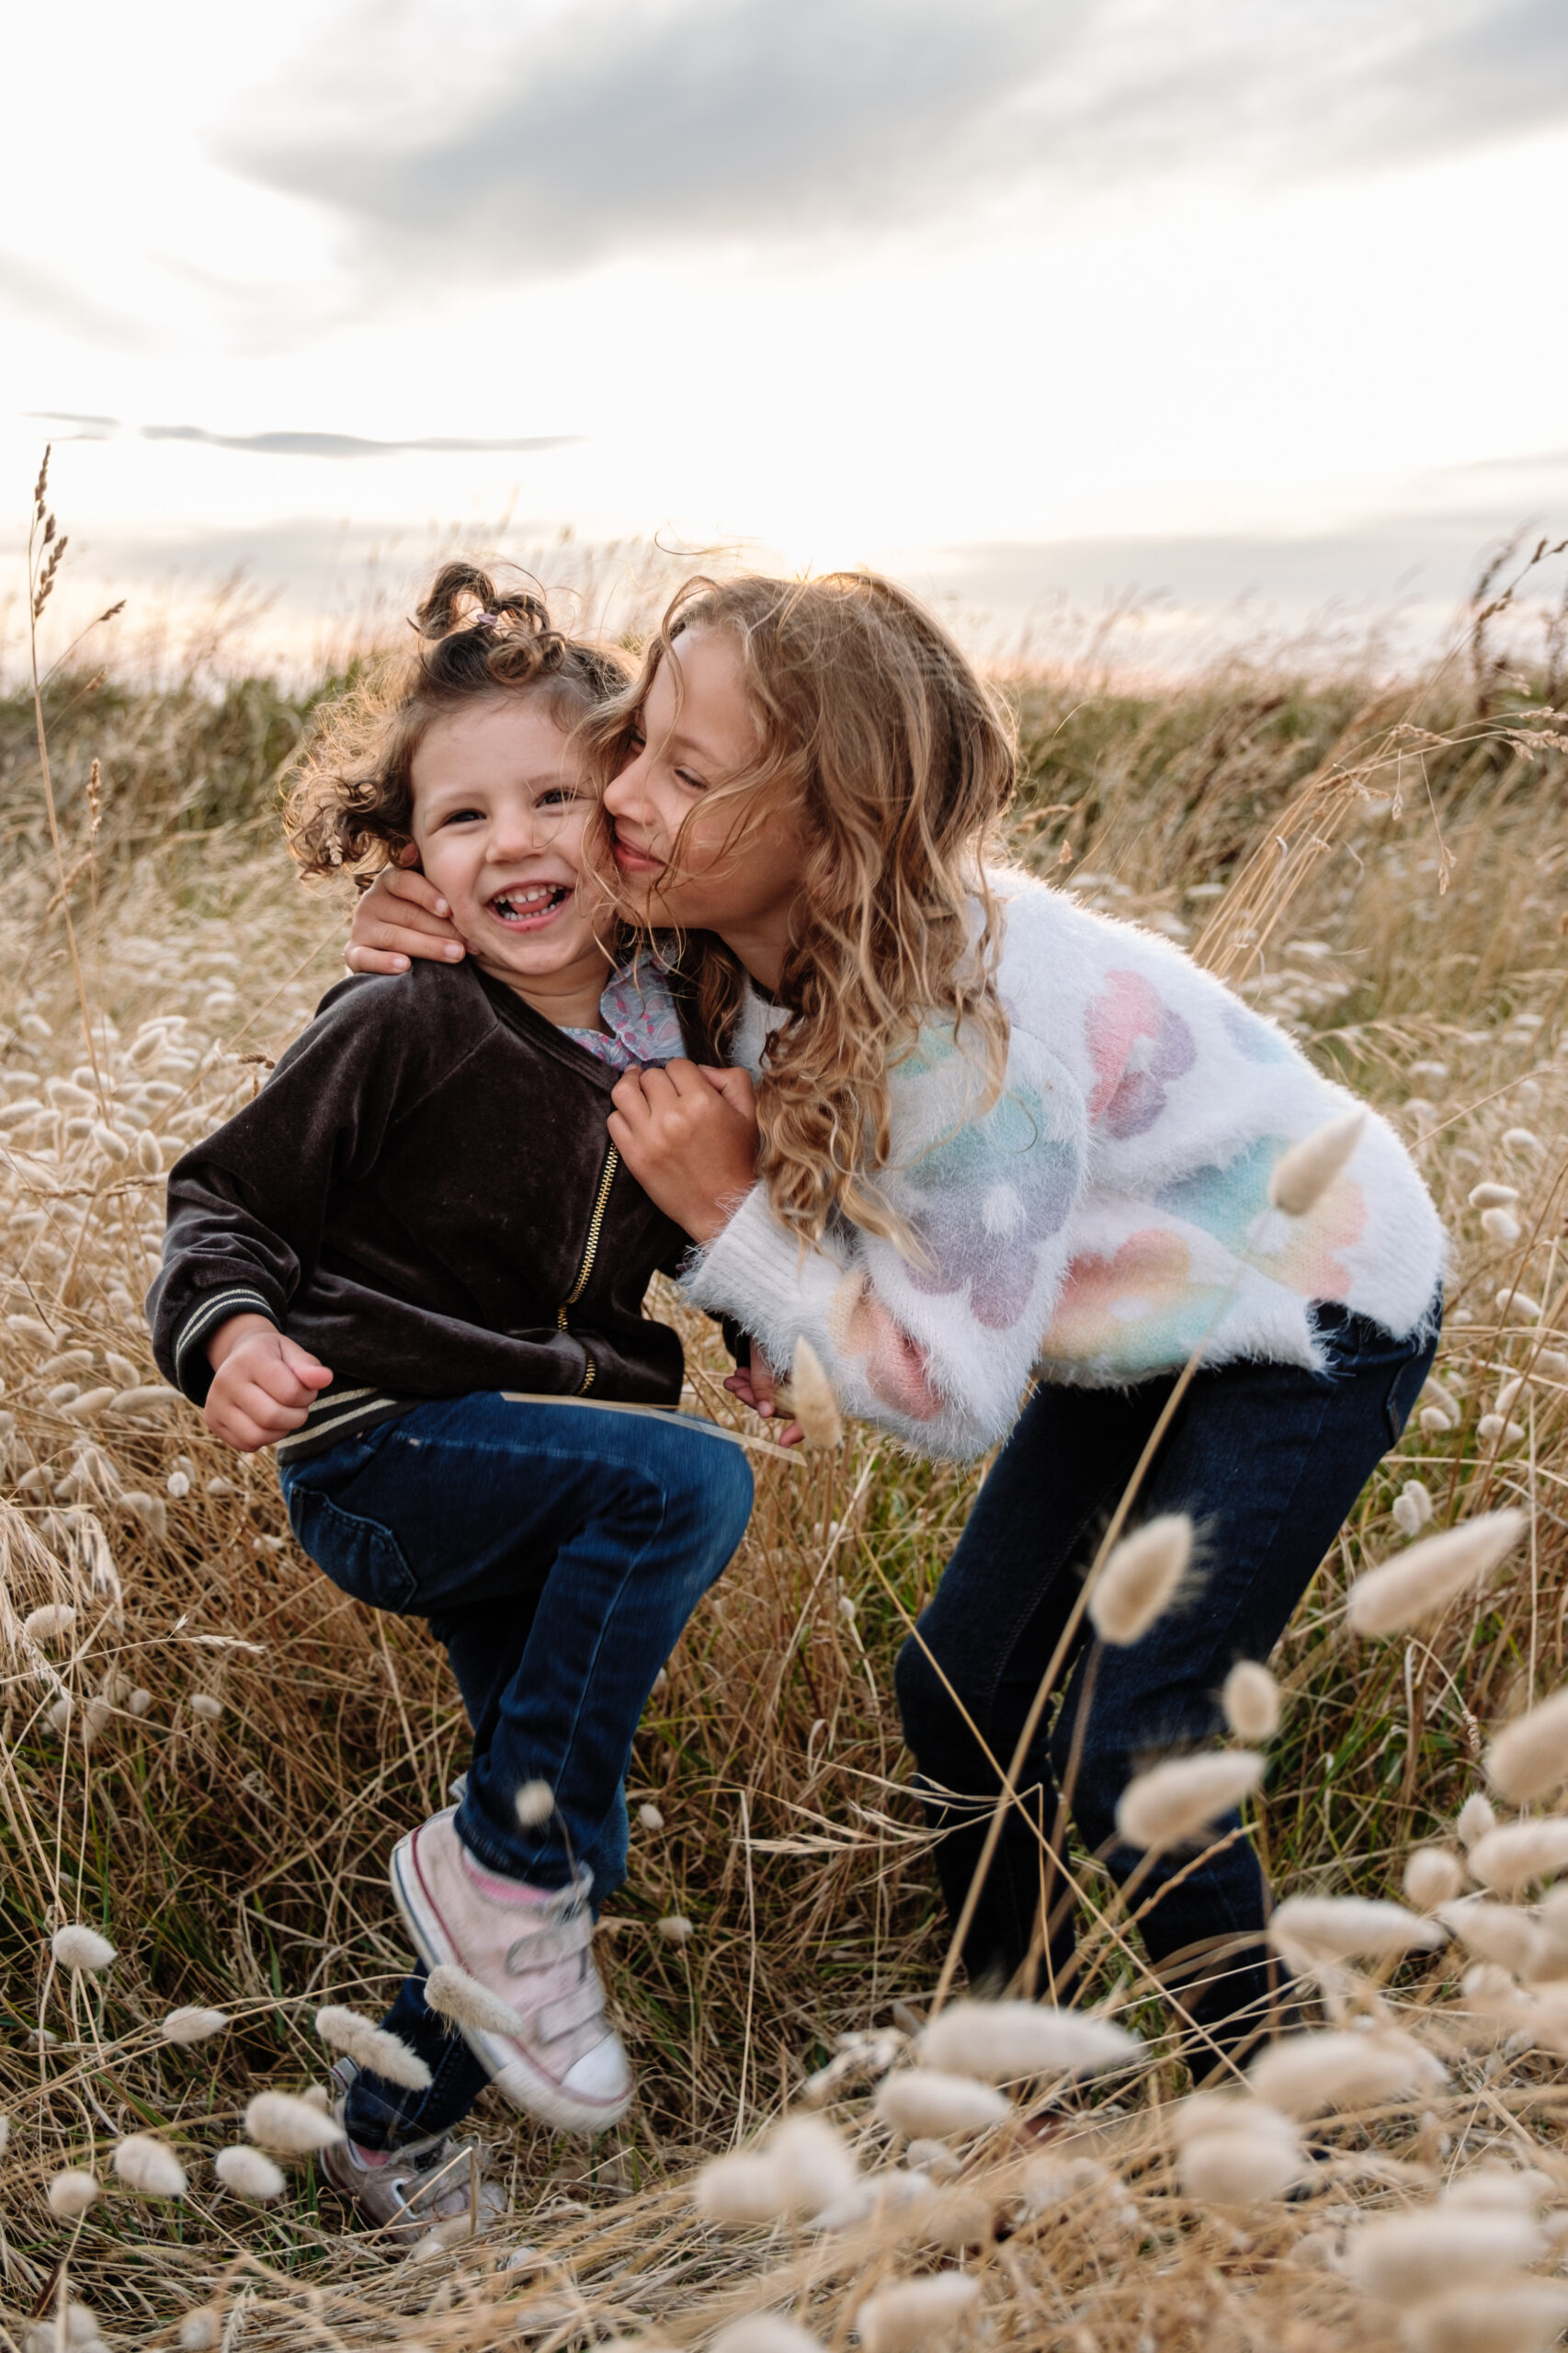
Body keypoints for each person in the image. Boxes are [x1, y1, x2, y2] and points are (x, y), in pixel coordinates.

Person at [346, 570, 1443, 2068]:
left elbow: (948, 1401)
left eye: (687, 768)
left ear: (827, 827)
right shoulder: (716, 937)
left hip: (1306, 1298)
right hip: (1129, 1308)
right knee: (964, 1692)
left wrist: (737, 1225)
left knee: (1133, 1746)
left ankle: (1276, 2115)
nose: (623, 793)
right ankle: (1009, 2063)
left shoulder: (962, 1043)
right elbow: (548, 975)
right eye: (634, 744)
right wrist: (421, 925)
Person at [149, 565, 754, 2239]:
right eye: (462, 814)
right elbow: (226, 1199)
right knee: (685, 1490)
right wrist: (225, 1332)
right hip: (386, 1441)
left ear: (627, 823)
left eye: (557, 794)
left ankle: (388, 2137)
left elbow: (668, 1242)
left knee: (566, 1832)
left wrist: (756, 1324)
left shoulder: (661, 1045)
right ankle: (491, 1884)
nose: (514, 840)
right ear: (409, 859)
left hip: (538, 1461)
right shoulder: (406, 1015)